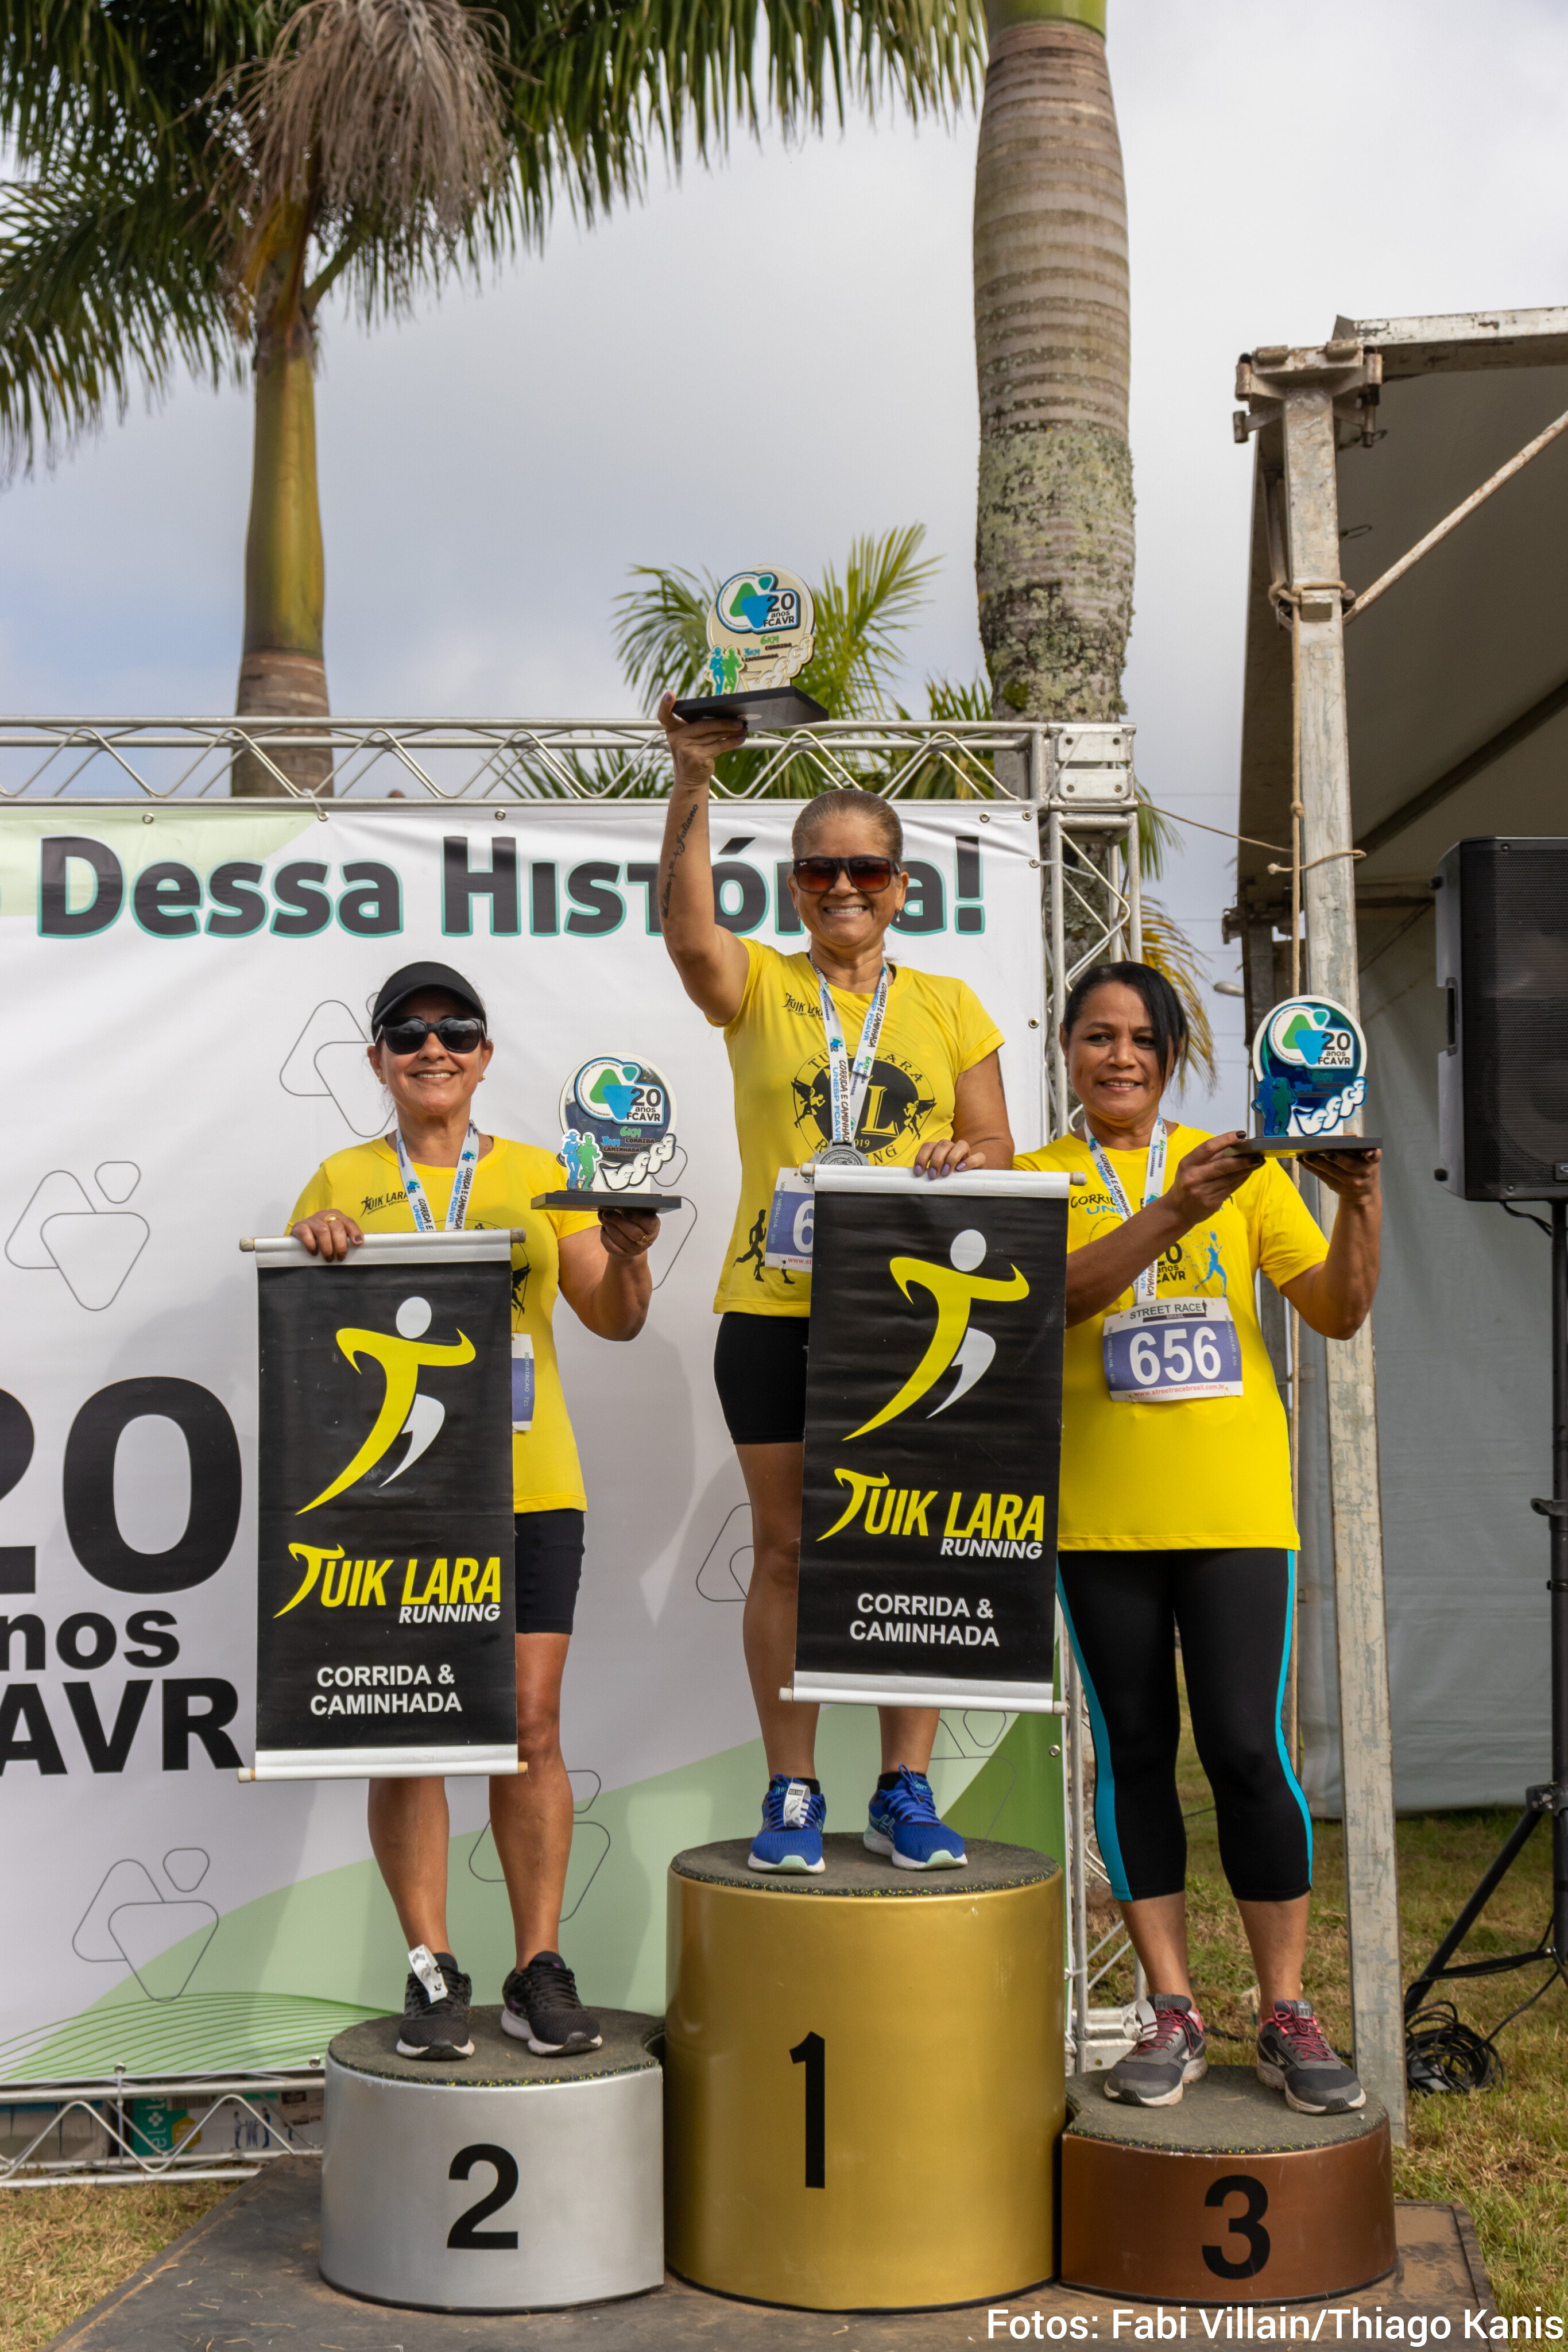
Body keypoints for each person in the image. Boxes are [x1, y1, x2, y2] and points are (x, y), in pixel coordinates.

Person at [656, 697, 1015, 1874]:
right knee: (789, 1549)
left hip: (909, 1316)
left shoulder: (949, 1004)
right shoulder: (756, 984)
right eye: (821, 868)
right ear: (796, 885)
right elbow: (683, 925)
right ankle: (794, 1787)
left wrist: (968, 1157)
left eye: (866, 867)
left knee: (905, 1546)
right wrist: (691, 779)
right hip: (771, 1308)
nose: (844, 885)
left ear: (900, 885)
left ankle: (905, 1784)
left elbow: (997, 1151)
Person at [1017, 962, 1381, 2117]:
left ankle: (1284, 2008)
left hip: (1232, 1514)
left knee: (1242, 1749)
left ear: (1172, 1055)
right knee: (1131, 1752)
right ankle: (1170, 2006)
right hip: (1098, 1517)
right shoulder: (1035, 1177)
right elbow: (1048, 1299)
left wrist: (1360, 1200)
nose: (1118, 1056)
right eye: (1096, 1036)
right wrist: (1174, 1208)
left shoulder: (1250, 1164)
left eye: (1141, 1038)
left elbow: (1334, 1307)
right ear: (1067, 1051)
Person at [287, 960, 657, 2063]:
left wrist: (632, 1259)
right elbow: (307, 1344)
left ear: (488, 1056)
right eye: (408, 1035)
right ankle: (428, 1968)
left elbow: (613, 1317)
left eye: (457, 1031)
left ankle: (535, 1965)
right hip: (400, 1500)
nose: (433, 1049)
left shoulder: (549, 1173)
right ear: (378, 1064)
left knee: (529, 1727)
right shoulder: (340, 1176)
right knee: (412, 1729)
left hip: (532, 1489)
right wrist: (317, 1257)